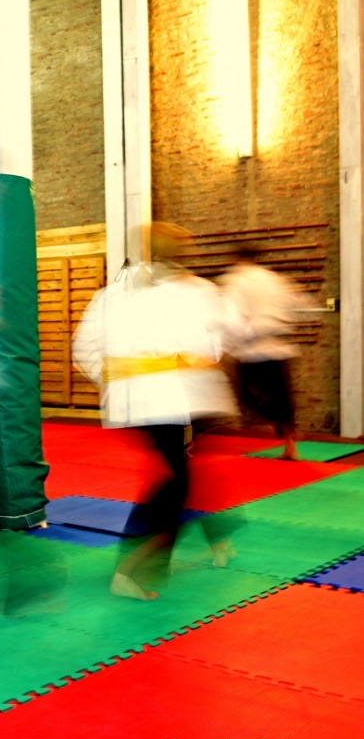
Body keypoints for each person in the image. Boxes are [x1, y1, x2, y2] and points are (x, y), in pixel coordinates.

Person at [72, 222, 246, 601]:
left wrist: (114, 381)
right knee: (178, 481)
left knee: (185, 473)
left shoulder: (112, 295)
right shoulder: (196, 293)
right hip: (180, 401)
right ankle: (132, 567)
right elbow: (225, 337)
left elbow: (83, 348)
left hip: (149, 402)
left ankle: (217, 538)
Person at [218, 245, 311, 460]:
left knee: (247, 397)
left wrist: (226, 346)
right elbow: (300, 303)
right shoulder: (275, 279)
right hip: (279, 348)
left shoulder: (236, 280)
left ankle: (282, 423)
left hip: (253, 350)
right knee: (281, 397)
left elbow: (230, 318)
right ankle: (290, 444)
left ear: (239, 259)